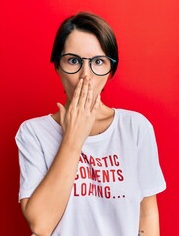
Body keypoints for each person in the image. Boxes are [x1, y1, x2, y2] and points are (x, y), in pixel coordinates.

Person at [15, 12, 166, 236]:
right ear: (57, 65)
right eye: (73, 61)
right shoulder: (33, 132)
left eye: (98, 62)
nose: (86, 75)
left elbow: (147, 215)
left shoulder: (136, 128)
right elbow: (41, 224)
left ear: (110, 70)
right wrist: (73, 137)